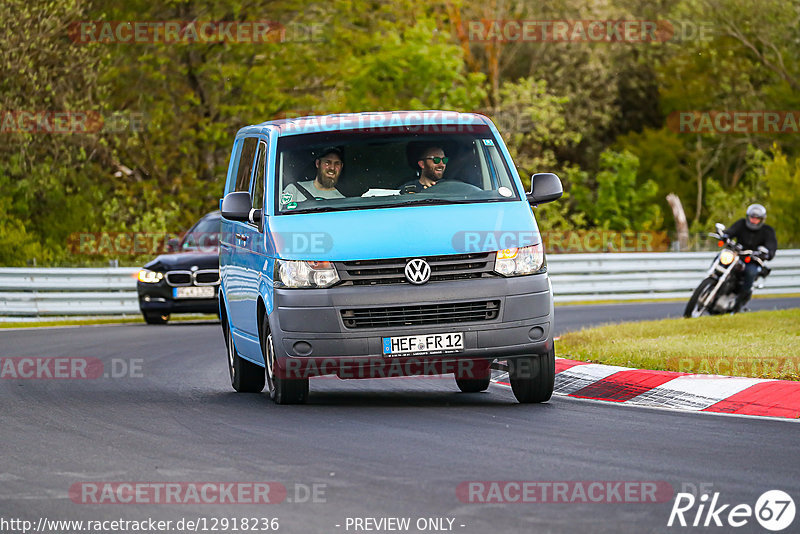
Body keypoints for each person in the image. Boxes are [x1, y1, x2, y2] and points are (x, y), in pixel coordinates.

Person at [723, 203, 778, 311]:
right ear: (748, 216)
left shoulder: (767, 231)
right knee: (720, 258)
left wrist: (767, 253)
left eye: (757, 218)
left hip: (752, 260)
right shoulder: (741, 224)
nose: (754, 220)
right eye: (752, 217)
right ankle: (711, 281)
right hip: (737, 256)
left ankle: (737, 306)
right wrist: (725, 236)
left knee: (751, 272)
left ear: (762, 219)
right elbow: (731, 231)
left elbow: (771, 246)